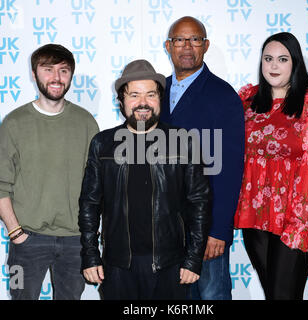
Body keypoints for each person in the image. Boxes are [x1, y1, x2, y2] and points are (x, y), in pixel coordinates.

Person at [78, 59, 211, 300]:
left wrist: (193, 259)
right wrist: (90, 255)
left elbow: (199, 203)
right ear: (121, 101)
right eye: (134, 95)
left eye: (151, 94)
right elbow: (89, 203)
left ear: (160, 99)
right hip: (117, 266)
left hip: (171, 265)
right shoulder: (102, 143)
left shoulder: (184, 141)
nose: (143, 103)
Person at [0, 43, 99, 300]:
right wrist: (16, 233)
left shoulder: (86, 122)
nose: (56, 78)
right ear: (34, 74)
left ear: (71, 76)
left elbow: (97, 184)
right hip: (26, 243)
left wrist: (90, 237)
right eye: (48, 69)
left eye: (64, 70)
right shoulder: (15, 123)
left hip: (74, 241)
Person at [234, 32, 308, 300]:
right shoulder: (248, 103)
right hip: (257, 213)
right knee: (275, 294)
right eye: (268, 59)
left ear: (295, 63)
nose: (273, 66)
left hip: (300, 213)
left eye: (282, 59)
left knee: (283, 294)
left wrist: (300, 221)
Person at [161, 16, 245, 300]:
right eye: (180, 40)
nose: (187, 46)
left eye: (195, 39)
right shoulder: (155, 93)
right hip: (165, 228)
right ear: (168, 46)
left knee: (210, 296)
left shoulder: (223, 96)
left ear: (205, 45)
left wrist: (219, 229)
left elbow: (231, 169)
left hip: (206, 226)